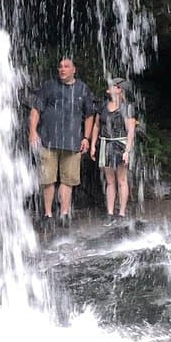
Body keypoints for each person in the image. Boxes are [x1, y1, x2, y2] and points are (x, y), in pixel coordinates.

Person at [28, 57, 96, 224]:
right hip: (48, 140)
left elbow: (89, 115)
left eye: (66, 67)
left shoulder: (82, 89)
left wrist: (86, 138)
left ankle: (64, 214)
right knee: (48, 179)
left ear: (74, 70)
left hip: (73, 142)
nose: (62, 70)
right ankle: (48, 214)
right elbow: (36, 110)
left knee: (69, 180)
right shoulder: (49, 86)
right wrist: (32, 132)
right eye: (60, 67)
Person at [90, 77, 137, 221]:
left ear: (119, 89)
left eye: (112, 85)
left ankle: (121, 213)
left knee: (121, 179)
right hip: (106, 144)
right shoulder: (103, 106)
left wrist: (127, 151)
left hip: (120, 144)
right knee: (110, 180)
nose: (108, 87)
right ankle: (110, 213)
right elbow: (97, 126)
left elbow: (130, 131)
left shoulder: (127, 107)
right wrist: (93, 145)